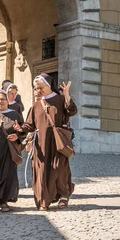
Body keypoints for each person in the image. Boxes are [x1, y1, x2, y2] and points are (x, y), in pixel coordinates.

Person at [13, 73, 77, 211]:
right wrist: (20, 128)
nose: (38, 90)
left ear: (48, 86)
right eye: (36, 88)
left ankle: (64, 195)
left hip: (58, 142)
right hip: (41, 144)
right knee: (41, 171)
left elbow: (71, 111)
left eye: (40, 87)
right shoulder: (36, 105)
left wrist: (67, 96)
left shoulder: (60, 100)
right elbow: (30, 125)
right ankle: (44, 200)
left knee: (59, 168)